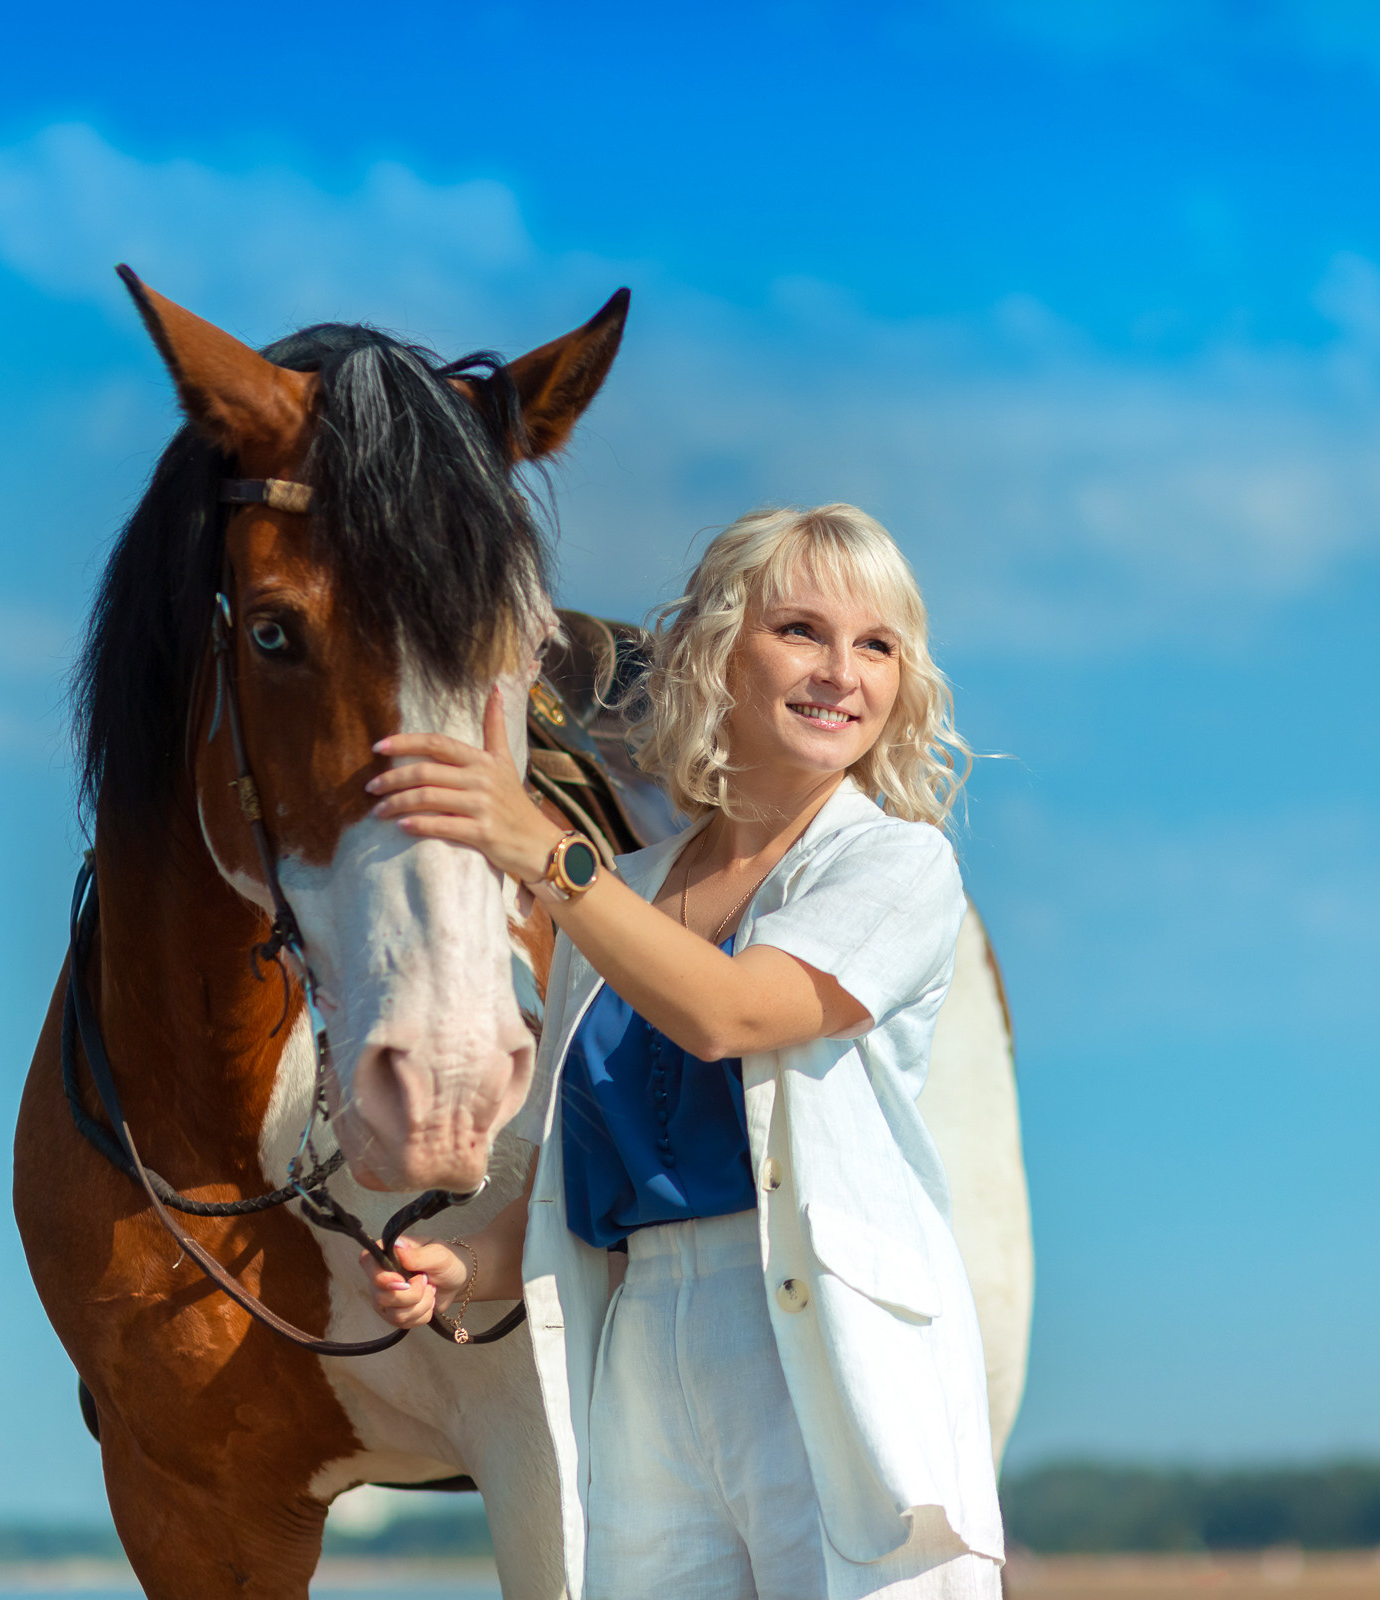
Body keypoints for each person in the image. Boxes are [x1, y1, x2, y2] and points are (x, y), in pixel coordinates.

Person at [361, 503, 1002, 1599]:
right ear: (716, 652)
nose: (842, 671)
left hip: (815, 1340)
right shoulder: (633, 892)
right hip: (644, 1344)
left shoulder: (898, 866)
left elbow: (733, 1013)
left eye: (878, 644)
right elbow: (592, 1168)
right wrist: (467, 1267)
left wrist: (547, 856)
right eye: (801, 629)